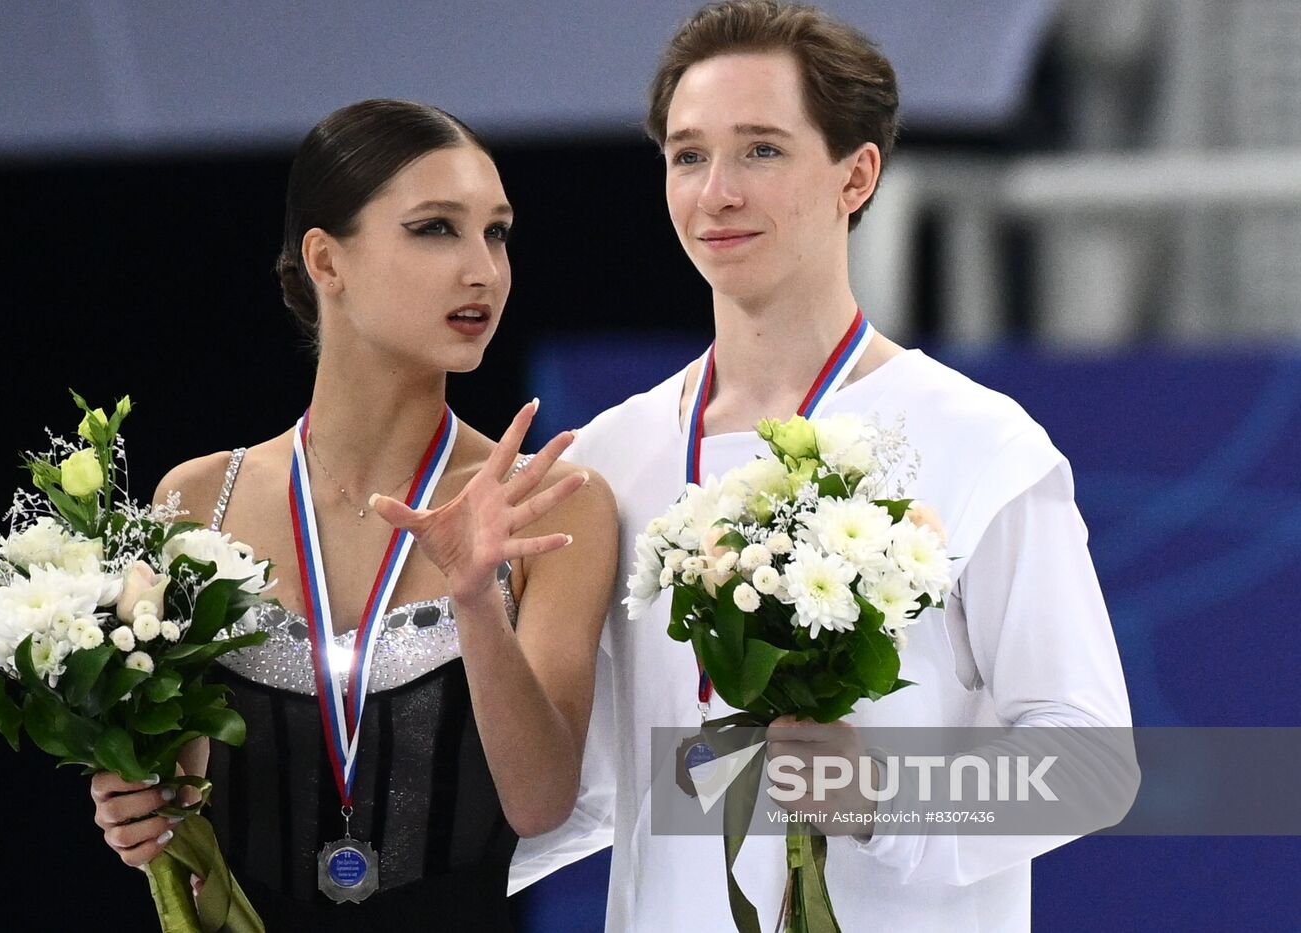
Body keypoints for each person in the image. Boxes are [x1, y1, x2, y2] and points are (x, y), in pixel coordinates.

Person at [512, 2, 1138, 930]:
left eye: (761, 149)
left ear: (858, 174)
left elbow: (1091, 764)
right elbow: (596, 787)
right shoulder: (612, 454)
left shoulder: (979, 442)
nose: (716, 191)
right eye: (688, 156)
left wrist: (885, 798)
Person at [88, 98, 618, 931]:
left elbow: (542, 800)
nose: (482, 268)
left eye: (498, 232)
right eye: (436, 228)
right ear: (326, 261)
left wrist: (477, 599)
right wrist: (134, 799)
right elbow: (183, 793)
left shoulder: (552, 506)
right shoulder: (196, 500)